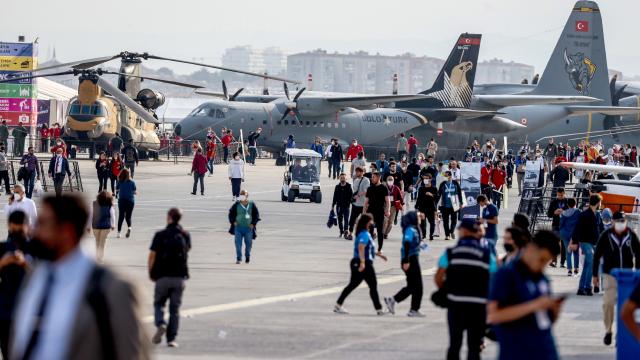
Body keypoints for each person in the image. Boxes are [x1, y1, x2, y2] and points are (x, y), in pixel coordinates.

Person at [11, 195, 149, 359]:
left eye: (43, 224)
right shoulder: (35, 277)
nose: (34, 231)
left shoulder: (113, 289)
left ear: (66, 232)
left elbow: (130, 353)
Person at [487, 230, 563, 360]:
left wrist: (554, 310)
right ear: (531, 249)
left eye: (546, 262)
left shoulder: (542, 279)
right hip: (517, 351)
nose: (542, 266)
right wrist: (533, 305)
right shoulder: (507, 274)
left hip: (546, 350)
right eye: (542, 259)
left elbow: (545, 320)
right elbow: (494, 315)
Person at [434, 219, 495, 360]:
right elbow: (495, 277)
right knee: (474, 346)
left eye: (460, 229)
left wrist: (446, 291)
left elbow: (439, 276)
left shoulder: (451, 252)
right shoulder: (486, 254)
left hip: (456, 304)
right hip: (478, 307)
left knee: (455, 344)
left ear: (465, 231)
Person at [592, 211, 640, 345]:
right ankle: (608, 330)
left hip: (627, 275)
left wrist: (638, 272)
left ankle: (621, 334)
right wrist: (595, 275)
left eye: (622, 221)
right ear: (612, 222)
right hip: (610, 274)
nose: (620, 224)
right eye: (617, 221)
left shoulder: (631, 235)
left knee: (625, 306)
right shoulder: (606, 235)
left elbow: (639, 253)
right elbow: (597, 255)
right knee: (608, 303)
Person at [149, 207, 191, 348]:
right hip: (179, 276)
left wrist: (151, 272)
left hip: (162, 276)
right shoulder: (185, 234)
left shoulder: (160, 235)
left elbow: (152, 256)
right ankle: (171, 339)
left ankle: (161, 323)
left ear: (169, 217)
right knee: (175, 310)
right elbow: (188, 249)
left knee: (159, 304)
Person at [334, 213, 387, 315]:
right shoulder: (364, 234)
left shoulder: (364, 233)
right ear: (367, 222)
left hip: (361, 262)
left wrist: (379, 255)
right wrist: (362, 263)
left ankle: (338, 305)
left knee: (354, 285)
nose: (372, 223)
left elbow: (367, 248)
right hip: (363, 263)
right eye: (371, 221)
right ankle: (379, 309)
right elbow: (361, 247)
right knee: (372, 285)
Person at [0, 211, 30, 359]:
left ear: (27, 226)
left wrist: (26, 264)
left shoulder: (36, 248)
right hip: (6, 312)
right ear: (9, 227)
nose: (17, 232)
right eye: (15, 228)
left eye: (20, 228)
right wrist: (2, 263)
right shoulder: (2, 249)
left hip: (31, 312)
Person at [384, 211, 425, 317]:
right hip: (409, 259)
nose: (419, 218)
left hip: (413, 258)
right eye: (417, 217)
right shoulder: (410, 230)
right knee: (417, 286)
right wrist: (406, 261)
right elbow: (406, 244)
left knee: (413, 286)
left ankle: (393, 300)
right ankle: (413, 309)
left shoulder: (415, 228)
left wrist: (420, 215)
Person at [571, 194, 603, 296]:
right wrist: (575, 242)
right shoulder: (585, 215)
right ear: (598, 203)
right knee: (591, 263)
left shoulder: (595, 214)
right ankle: (587, 287)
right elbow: (577, 229)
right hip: (586, 242)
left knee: (588, 265)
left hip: (593, 242)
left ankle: (581, 288)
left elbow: (600, 230)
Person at [228, 189, 260, 264]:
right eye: (241, 195)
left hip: (248, 228)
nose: (242, 196)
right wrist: (233, 221)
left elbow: (256, 215)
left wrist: (253, 223)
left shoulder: (252, 204)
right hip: (238, 228)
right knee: (238, 244)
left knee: (248, 244)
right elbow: (231, 213)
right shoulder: (237, 204)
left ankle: (247, 256)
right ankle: (239, 258)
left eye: (244, 195)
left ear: (247, 196)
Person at [364, 172, 391, 253]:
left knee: (380, 231)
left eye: (374, 177)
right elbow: (366, 202)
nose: (372, 179)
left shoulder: (383, 188)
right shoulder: (369, 188)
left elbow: (387, 201)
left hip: (379, 212)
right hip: (370, 212)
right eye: (372, 177)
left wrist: (388, 210)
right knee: (369, 230)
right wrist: (363, 212)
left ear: (378, 178)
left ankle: (379, 249)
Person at [437, 170, 463, 240]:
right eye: (445, 176)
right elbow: (439, 194)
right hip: (445, 205)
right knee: (445, 221)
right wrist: (436, 203)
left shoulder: (455, 183)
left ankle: (451, 231)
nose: (446, 177)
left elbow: (460, 192)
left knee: (454, 220)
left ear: (450, 176)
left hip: (454, 204)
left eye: (447, 175)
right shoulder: (442, 184)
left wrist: (461, 202)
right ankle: (447, 235)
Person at [90, 191, 115, 263]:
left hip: (95, 226)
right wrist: (113, 225)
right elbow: (112, 215)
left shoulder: (94, 204)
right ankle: (100, 257)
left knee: (97, 241)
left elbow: (90, 215)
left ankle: (97, 256)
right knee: (102, 242)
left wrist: (88, 226)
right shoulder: (109, 205)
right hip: (106, 226)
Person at [547, 188, 568, 267]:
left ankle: (562, 262)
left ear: (564, 194)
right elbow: (548, 214)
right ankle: (553, 260)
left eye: (561, 195)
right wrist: (554, 212)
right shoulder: (554, 202)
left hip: (565, 225)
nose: (560, 196)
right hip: (555, 224)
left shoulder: (567, 202)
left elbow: (571, 212)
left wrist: (564, 212)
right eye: (558, 195)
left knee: (563, 244)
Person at [559, 198, 580, 276]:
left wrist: (562, 231)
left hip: (565, 234)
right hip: (575, 234)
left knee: (568, 252)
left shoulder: (563, 213)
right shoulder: (578, 212)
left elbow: (561, 224)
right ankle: (576, 269)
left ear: (567, 204)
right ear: (575, 203)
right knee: (576, 252)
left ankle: (569, 270)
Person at [347, 167, 370, 240]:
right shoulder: (356, 180)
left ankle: (368, 234)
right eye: (356, 172)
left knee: (365, 221)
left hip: (363, 204)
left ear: (362, 172)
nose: (356, 173)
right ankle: (350, 234)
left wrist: (359, 195)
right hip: (355, 204)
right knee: (352, 219)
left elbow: (367, 191)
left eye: (358, 172)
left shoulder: (366, 180)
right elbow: (355, 191)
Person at [415, 173, 438, 240]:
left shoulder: (434, 188)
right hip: (422, 208)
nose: (425, 180)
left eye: (427, 178)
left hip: (431, 208)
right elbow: (418, 198)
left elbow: (437, 198)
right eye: (424, 178)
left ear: (430, 179)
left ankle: (431, 235)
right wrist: (416, 207)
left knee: (432, 223)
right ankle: (423, 235)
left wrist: (431, 195)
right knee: (422, 223)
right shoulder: (421, 188)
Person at [116, 168, 137, 238]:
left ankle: (119, 232)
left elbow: (117, 189)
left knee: (121, 216)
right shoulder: (132, 182)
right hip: (130, 201)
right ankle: (129, 228)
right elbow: (134, 191)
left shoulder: (120, 181)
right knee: (128, 216)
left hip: (122, 200)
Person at [332, 173, 353, 239]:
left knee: (346, 219)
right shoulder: (337, 187)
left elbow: (351, 196)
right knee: (340, 220)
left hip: (346, 206)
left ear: (346, 179)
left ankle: (346, 231)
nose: (342, 179)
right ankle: (341, 231)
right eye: (341, 178)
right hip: (339, 206)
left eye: (344, 178)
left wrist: (350, 202)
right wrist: (333, 205)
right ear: (339, 178)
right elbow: (334, 197)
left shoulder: (349, 186)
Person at [383, 175, 404, 239]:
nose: (390, 181)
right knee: (385, 220)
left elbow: (400, 197)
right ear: (386, 181)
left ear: (393, 181)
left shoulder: (396, 188)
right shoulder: (383, 188)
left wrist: (402, 205)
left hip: (393, 207)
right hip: (385, 206)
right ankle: (382, 232)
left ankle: (386, 233)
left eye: (391, 180)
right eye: (389, 180)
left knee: (390, 222)